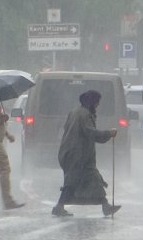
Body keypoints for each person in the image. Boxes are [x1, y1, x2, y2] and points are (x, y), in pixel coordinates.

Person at [52, 89, 122, 218]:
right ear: (92, 102)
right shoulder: (84, 115)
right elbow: (91, 132)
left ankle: (105, 206)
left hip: (74, 153)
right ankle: (59, 206)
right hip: (77, 155)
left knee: (90, 179)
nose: (98, 105)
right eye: (97, 102)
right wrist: (109, 133)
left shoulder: (75, 112)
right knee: (72, 182)